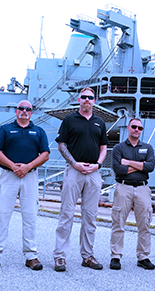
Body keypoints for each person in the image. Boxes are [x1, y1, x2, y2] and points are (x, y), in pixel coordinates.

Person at [0, 100, 50, 271]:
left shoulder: (39, 131)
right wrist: (13, 166)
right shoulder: (5, 129)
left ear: (31, 113)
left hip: (30, 176)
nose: (24, 111)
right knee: (2, 215)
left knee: (30, 216)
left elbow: (45, 154)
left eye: (28, 109)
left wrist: (28, 167)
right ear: (16, 111)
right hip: (8, 175)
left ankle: (31, 256)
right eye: (21, 108)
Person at [53, 87, 108, 271]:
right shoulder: (69, 120)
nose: (86, 100)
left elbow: (103, 147)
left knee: (90, 216)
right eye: (83, 97)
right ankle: (60, 256)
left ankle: (88, 256)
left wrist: (98, 165)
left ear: (94, 100)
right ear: (79, 99)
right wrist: (74, 163)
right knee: (66, 213)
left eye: (90, 97)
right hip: (74, 170)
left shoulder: (99, 122)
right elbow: (62, 144)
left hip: (93, 172)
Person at [109, 118, 155, 271]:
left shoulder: (147, 147)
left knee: (144, 224)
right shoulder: (118, 147)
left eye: (140, 128)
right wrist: (140, 166)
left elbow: (150, 167)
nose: (137, 129)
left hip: (142, 188)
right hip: (123, 188)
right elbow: (118, 169)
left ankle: (143, 257)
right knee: (118, 222)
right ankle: (116, 256)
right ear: (128, 128)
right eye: (134, 127)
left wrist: (127, 162)